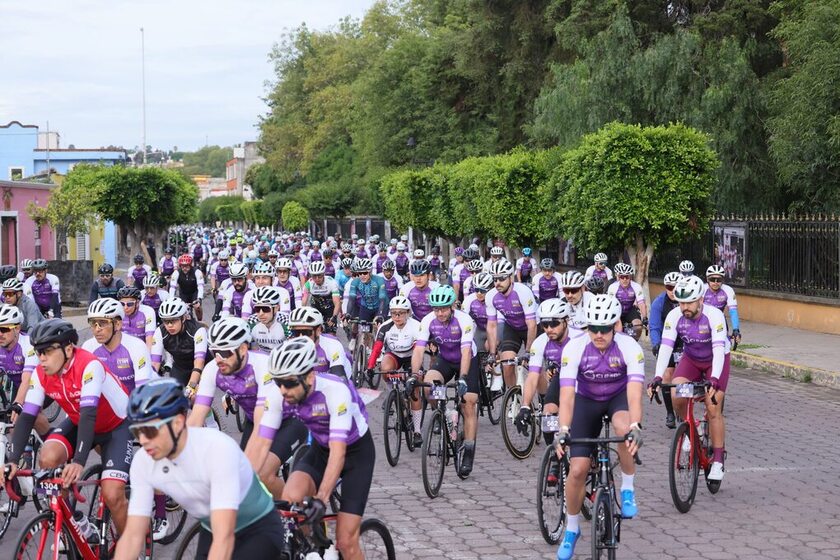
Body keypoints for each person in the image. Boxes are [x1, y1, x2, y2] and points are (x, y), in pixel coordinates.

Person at [114, 378, 286, 560]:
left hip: (256, 528)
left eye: (150, 430)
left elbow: (224, 537)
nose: (143, 440)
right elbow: (133, 535)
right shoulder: (144, 460)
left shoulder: (217, 449)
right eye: (136, 431)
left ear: (178, 422)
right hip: (212, 526)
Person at [2, 319, 132, 536]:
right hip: (79, 421)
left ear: (69, 349)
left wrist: (79, 462)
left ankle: (130, 548)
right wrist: (13, 461)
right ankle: (75, 523)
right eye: (38, 351)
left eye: (47, 351)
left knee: (112, 494)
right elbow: (27, 417)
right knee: (48, 457)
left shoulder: (89, 365)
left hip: (115, 427)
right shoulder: (41, 372)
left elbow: (90, 413)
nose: (41, 358)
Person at [265, 337, 374, 560]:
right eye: (278, 382)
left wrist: (321, 499)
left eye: (290, 382)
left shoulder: (336, 391)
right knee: (291, 499)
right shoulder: (279, 395)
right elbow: (261, 444)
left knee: (345, 541)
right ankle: (315, 549)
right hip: (319, 450)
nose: (283, 389)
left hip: (355, 453)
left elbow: (338, 452)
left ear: (309, 376)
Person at [553, 295, 644, 560]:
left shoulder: (629, 347)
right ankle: (571, 529)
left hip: (618, 398)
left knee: (624, 430)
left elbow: (635, 393)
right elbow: (567, 396)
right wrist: (563, 429)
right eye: (593, 328)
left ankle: (627, 487)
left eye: (605, 328)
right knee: (578, 468)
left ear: (616, 325)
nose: (599, 334)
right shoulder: (575, 347)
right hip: (586, 400)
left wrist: (636, 425)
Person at [189, 318, 307, 498]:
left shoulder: (263, 366)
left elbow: (263, 419)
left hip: (290, 421)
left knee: (261, 474)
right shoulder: (213, 369)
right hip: (255, 422)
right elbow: (197, 416)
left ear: (243, 349)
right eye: (214, 352)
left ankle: (298, 508)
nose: (219, 359)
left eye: (225, 352)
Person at [650, 275, 730, 481]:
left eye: (689, 301)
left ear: (701, 300)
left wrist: (713, 379)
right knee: (676, 393)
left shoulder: (714, 316)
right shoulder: (675, 316)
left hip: (715, 360)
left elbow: (719, 350)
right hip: (692, 359)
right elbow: (666, 347)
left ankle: (719, 460)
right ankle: (691, 431)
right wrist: (658, 376)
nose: (684, 306)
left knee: (713, 408)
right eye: (681, 301)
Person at [411, 285, 480, 475]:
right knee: (428, 386)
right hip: (446, 360)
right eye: (436, 309)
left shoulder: (463, 320)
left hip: (467, 360)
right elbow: (418, 350)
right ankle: (442, 415)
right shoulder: (427, 320)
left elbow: (466, 351)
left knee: (468, 403)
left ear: (452, 307)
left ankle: (468, 450)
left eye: (443, 309)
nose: (440, 313)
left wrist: (463, 378)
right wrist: (414, 374)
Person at [517, 298, 584, 465]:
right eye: (545, 325)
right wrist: (525, 406)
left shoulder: (581, 339)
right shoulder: (541, 342)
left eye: (554, 323)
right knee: (548, 415)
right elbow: (532, 377)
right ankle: (556, 460)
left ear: (566, 321)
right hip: (562, 378)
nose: (549, 329)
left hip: (584, 380)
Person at [81, 298, 156, 393]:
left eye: (103, 323)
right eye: (93, 323)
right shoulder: (88, 347)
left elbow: (143, 391)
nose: (97, 329)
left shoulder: (136, 346)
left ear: (118, 324)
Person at [485, 259, 538, 389]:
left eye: (502, 279)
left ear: (510, 278)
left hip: (531, 327)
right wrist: (492, 354)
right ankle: (513, 399)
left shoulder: (523, 292)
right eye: (495, 279)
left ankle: (542, 399)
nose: (497, 283)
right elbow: (491, 326)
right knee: (507, 363)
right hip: (512, 327)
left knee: (535, 368)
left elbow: (531, 324)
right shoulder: (491, 296)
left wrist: (528, 351)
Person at [0, 304, 50, 436]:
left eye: (4, 329)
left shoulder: (28, 344)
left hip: (43, 384)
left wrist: (18, 403)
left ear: (17, 328)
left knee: (32, 413)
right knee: (11, 425)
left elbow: (27, 378)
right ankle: (21, 452)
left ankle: (51, 442)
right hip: (19, 384)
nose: (0, 334)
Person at [648, 271, 683, 428]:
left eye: (676, 287)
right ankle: (670, 412)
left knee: (683, 378)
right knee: (667, 376)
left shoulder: (687, 301)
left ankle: (682, 410)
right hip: (667, 342)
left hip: (684, 342)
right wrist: (656, 344)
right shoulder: (659, 302)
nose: (672, 290)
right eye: (669, 287)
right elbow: (654, 326)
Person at [151, 297, 208, 389]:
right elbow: (154, 363)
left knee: (194, 396)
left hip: (203, 367)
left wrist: (191, 387)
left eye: (174, 320)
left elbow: (199, 362)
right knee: (175, 396)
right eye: (166, 321)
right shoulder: (160, 331)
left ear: (183, 318)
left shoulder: (198, 330)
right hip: (180, 368)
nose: (169, 325)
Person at [288, 306, 351, 379]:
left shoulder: (332, 345)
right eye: (296, 332)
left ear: (318, 330)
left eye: (306, 332)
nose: (300, 337)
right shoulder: (289, 348)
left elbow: (339, 378)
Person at [607, 263, 648, 339]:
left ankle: (633, 342)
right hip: (617, 309)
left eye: (627, 277)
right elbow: (610, 304)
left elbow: (641, 303)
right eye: (622, 277)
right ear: (619, 277)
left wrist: (645, 318)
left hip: (630, 310)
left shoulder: (636, 286)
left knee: (638, 325)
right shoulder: (613, 287)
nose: (625, 279)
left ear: (630, 277)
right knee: (618, 329)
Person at [703, 264, 741, 345]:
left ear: (722, 280)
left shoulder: (728, 290)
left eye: (719, 280)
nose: (716, 282)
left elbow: (733, 311)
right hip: (703, 320)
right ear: (707, 279)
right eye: (712, 279)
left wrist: (736, 330)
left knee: (724, 345)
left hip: (720, 320)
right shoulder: (702, 289)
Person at [302, 261, 341, 333]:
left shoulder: (331, 282)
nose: (317, 278)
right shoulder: (308, 284)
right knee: (313, 332)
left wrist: (334, 317)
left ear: (323, 274)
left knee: (331, 333)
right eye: (314, 276)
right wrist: (302, 313)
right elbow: (304, 301)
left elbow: (337, 303)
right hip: (315, 307)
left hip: (329, 308)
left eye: (319, 275)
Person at [248, 286, 289, 351]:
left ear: (276, 308)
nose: (261, 313)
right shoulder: (251, 322)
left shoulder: (286, 322)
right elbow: (252, 349)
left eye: (265, 309)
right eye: (257, 309)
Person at [169, 254, 205, 322]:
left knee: (197, 307)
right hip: (184, 293)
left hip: (194, 292)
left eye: (187, 266)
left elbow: (200, 286)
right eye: (183, 266)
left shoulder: (197, 272)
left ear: (190, 265)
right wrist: (171, 299)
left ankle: (200, 321)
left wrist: (199, 298)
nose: (185, 268)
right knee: (183, 310)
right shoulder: (176, 273)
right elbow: (172, 287)